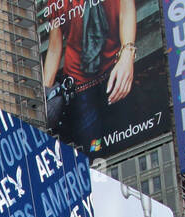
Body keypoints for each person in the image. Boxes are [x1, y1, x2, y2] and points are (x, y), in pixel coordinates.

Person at [41, 0, 137, 152]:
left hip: (115, 71)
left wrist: (127, 54)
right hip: (80, 87)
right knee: (95, 153)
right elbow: (54, 46)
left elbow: (126, 8)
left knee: (128, 139)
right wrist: (45, 97)